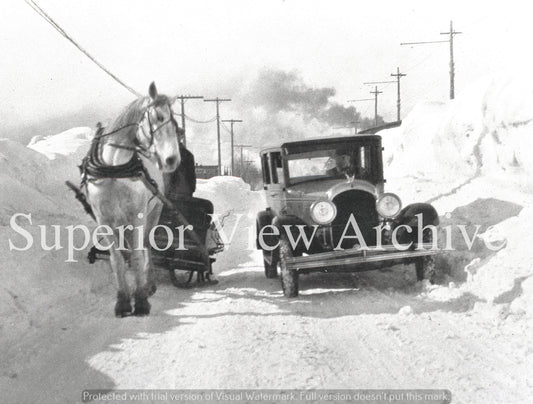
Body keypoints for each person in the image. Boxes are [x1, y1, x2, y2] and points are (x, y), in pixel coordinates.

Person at [163, 127, 196, 200]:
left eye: (176, 135)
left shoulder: (187, 155)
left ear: (181, 137)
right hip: (165, 193)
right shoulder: (164, 154)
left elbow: (191, 178)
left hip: (182, 194)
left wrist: (188, 193)